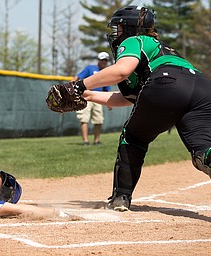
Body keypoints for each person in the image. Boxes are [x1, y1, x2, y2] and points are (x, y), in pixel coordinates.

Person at [57, 5, 211, 211]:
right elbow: (131, 98)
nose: (116, 33)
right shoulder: (163, 49)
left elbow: (121, 71)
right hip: (202, 88)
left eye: (119, 28)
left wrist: (79, 85)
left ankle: (121, 198)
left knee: (134, 137)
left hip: (167, 83)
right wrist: (89, 94)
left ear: (129, 28)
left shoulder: (133, 40)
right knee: (202, 154)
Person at [74, 52, 111, 146]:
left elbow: (106, 89)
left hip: (98, 97)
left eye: (105, 60)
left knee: (99, 120)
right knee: (84, 119)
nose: (104, 62)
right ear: (98, 60)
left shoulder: (107, 72)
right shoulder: (90, 68)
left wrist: (109, 102)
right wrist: (70, 87)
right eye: (102, 60)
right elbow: (78, 77)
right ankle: (85, 141)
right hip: (85, 96)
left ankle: (96, 141)